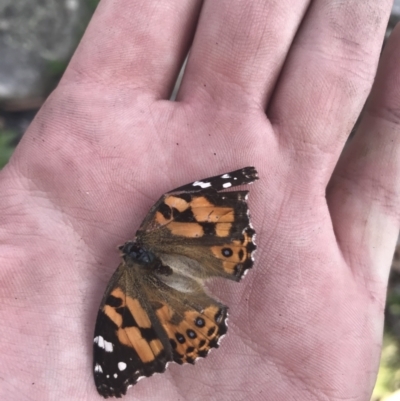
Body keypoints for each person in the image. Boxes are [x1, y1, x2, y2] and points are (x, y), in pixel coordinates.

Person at [0, 0, 398, 399]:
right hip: (199, 256)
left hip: (171, 299)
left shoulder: (120, 296)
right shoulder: (163, 217)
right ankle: (220, 270)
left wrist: (235, 181)